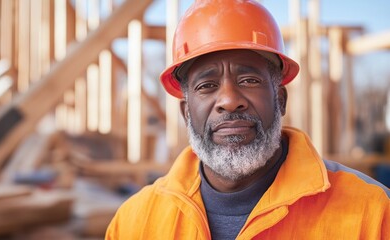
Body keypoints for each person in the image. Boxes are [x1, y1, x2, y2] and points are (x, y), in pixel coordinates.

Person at [105, 0, 390, 239]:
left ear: (280, 100)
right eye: (207, 85)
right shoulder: (134, 224)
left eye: (249, 79)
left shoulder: (373, 214)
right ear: (186, 113)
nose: (229, 100)